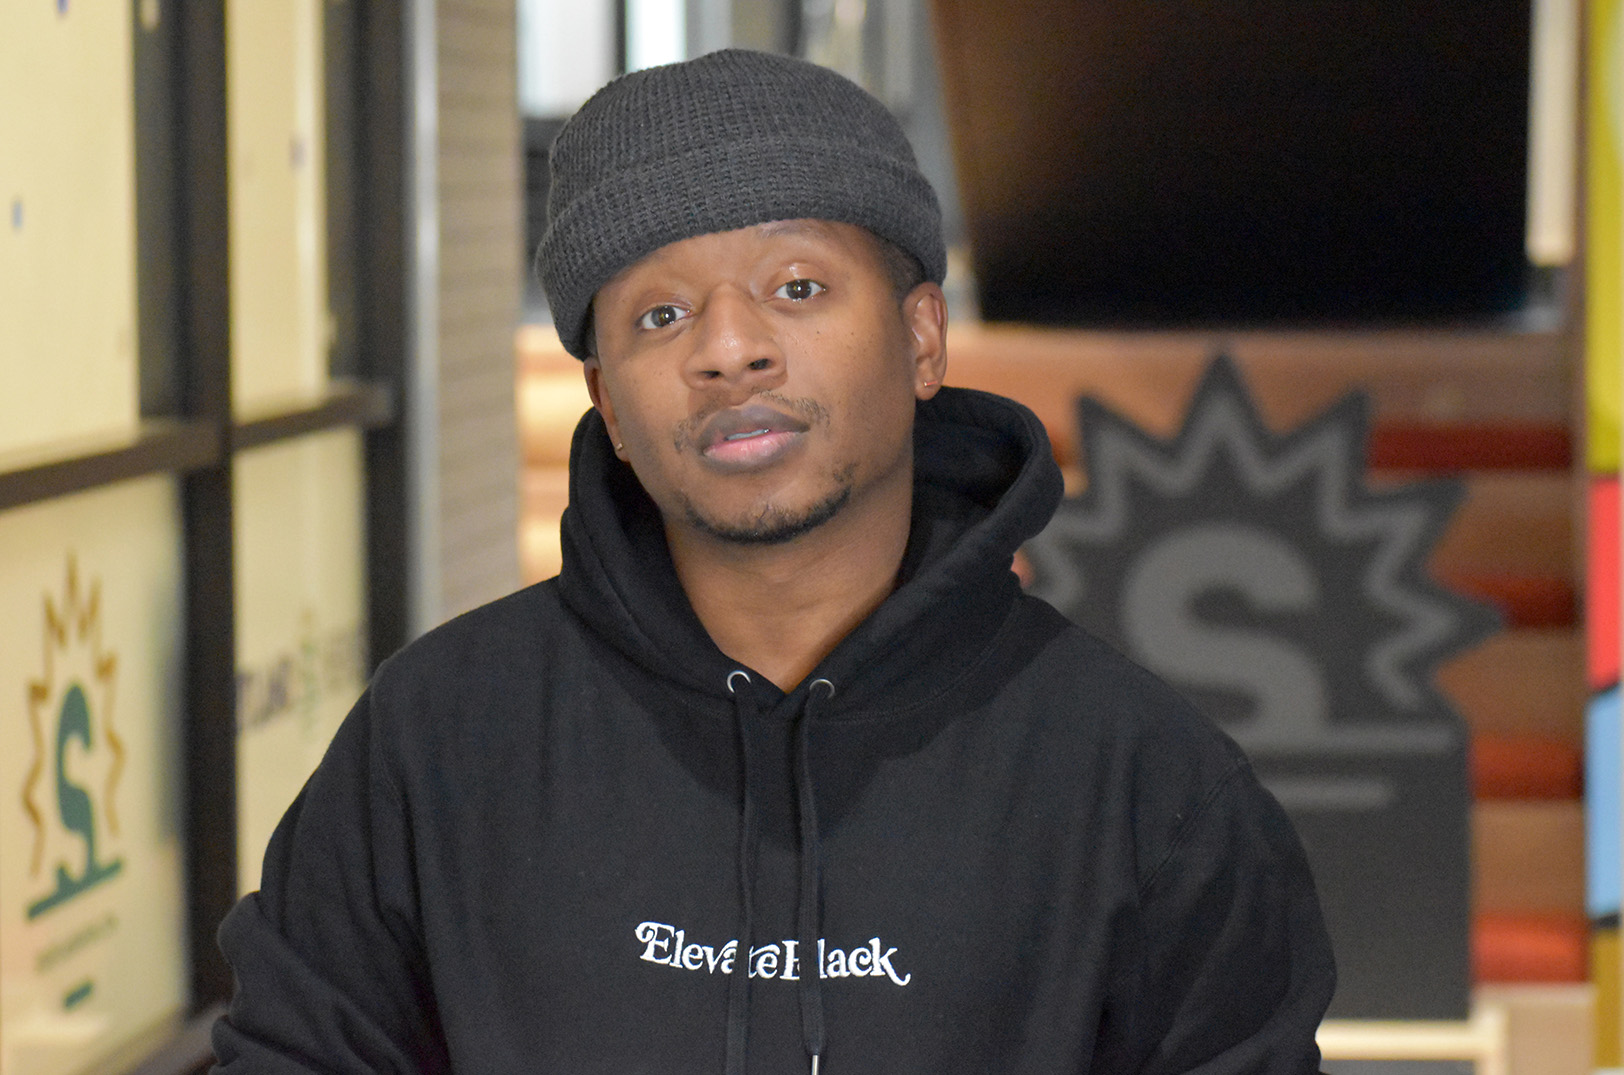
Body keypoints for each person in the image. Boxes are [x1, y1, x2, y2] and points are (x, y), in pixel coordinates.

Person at [212, 48, 1334, 1074]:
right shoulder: (439, 740)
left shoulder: (1142, 782)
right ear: (607, 400)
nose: (729, 348)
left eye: (797, 288)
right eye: (659, 314)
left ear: (922, 337)